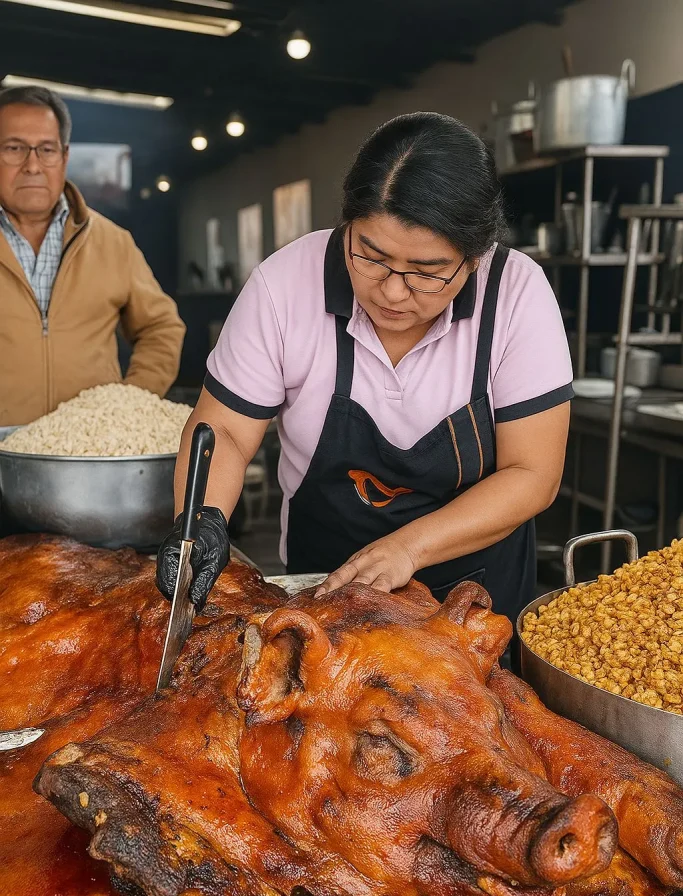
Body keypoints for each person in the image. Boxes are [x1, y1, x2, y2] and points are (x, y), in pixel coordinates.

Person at [157, 112, 573, 624]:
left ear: (475, 257)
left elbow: (533, 473)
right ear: (347, 224)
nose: (394, 291)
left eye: (428, 272)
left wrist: (408, 549)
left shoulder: (515, 294)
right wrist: (202, 520)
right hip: (322, 591)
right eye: (371, 256)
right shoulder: (285, 283)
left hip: (477, 601)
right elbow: (224, 428)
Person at [0, 86, 185, 427]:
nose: (33, 165)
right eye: (14, 148)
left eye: (47, 149)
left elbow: (162, 327)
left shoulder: (112, 242)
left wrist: (129, 402)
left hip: (86, 458)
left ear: (64, 157)